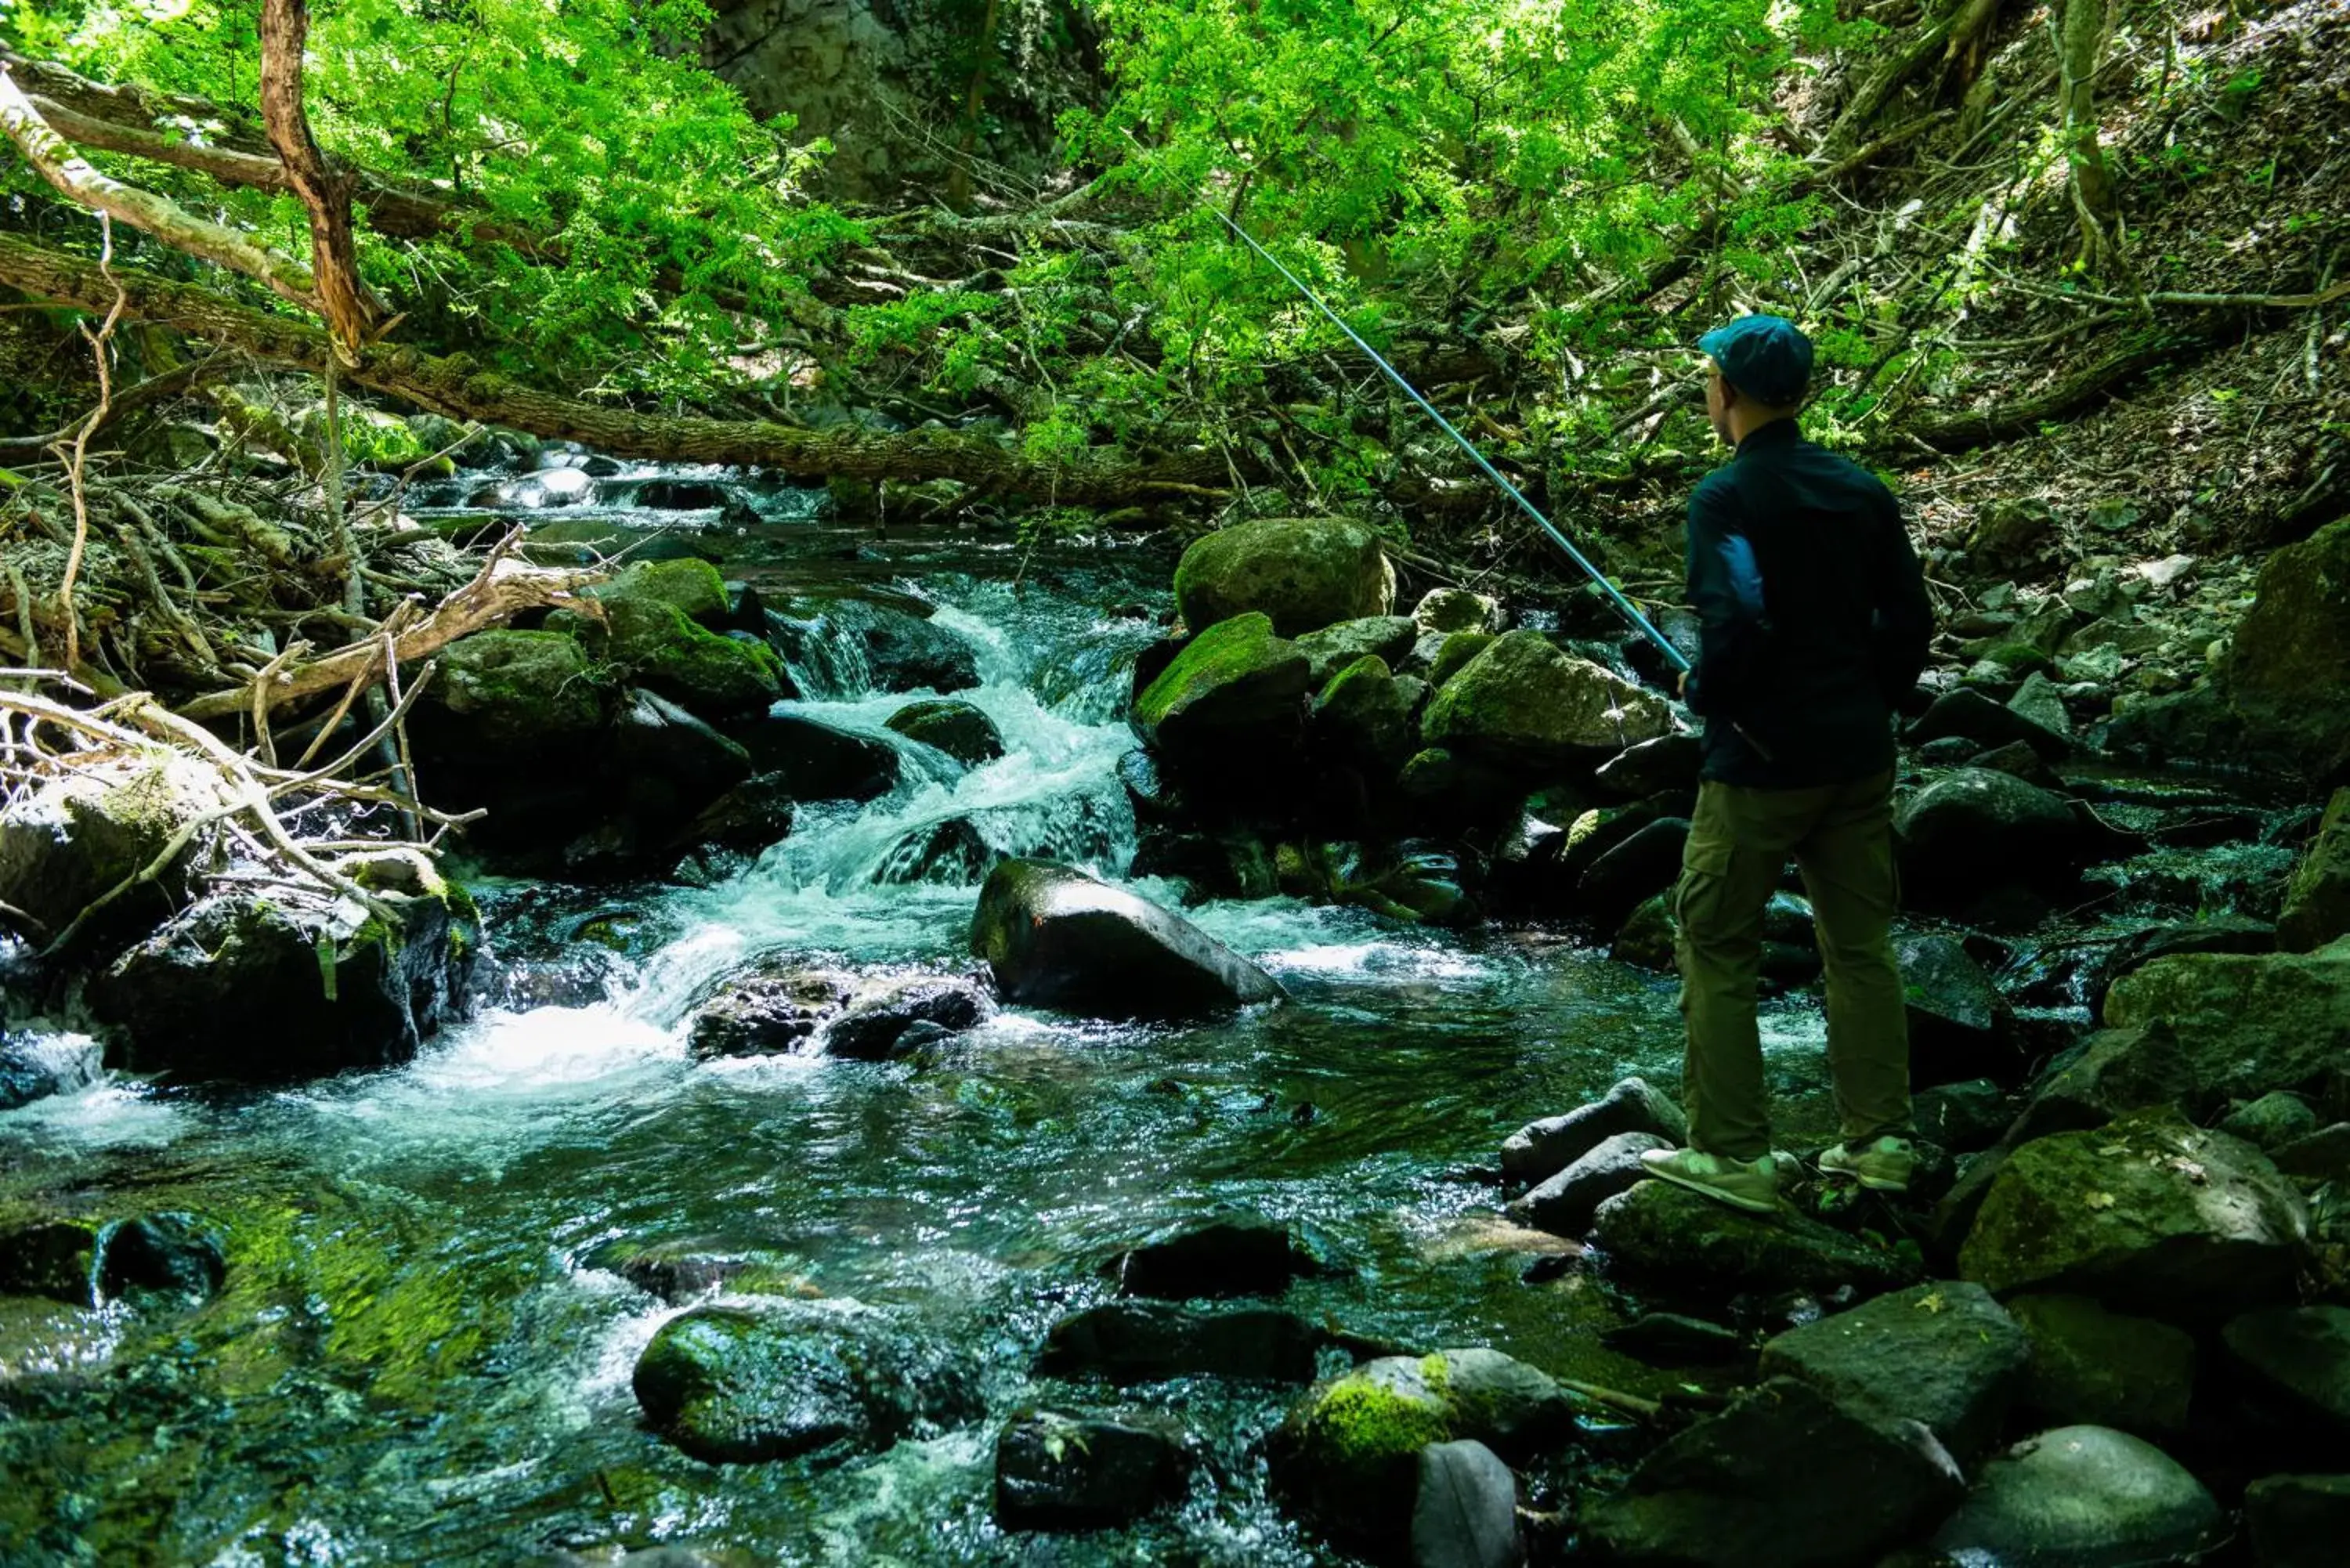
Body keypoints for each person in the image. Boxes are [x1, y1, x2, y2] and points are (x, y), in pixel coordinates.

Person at [1636, 314, 1935, 1215]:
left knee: (1717, 943)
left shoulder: (1725, 499)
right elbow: (1909, 625)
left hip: (1759, 772)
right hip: (1857, 759)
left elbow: (1737, 619)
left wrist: (1704, 693)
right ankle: (1880, 1142)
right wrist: (1867, 703)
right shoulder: (1860, 490)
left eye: (1707, 378)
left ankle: (1732, 1155)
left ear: (1725, 390)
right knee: (1859, 948)